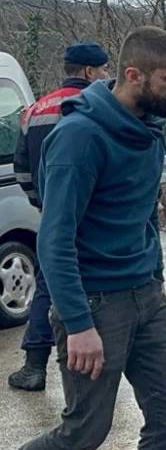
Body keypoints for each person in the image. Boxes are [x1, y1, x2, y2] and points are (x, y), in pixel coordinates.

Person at [0, 27, 166, 450]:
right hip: (96, 303)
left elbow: (145, 211)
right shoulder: (79, 138)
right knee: (84, 432)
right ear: (134, 76)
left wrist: (157, 276)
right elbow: (54, 239)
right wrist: (79, 323)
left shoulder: (150, 126)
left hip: (147, 296)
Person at [8, 44, 111, 392]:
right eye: (104, 70)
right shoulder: (101, 107)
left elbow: (21, 167)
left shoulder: (34, 110)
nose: (106, 76)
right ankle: (96, 358)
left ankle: (34, 365)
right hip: (98, 215)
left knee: (49, 283)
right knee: (98, 284)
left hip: (54, 212)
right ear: (88, 73)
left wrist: (43, 204)